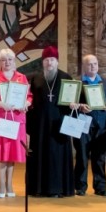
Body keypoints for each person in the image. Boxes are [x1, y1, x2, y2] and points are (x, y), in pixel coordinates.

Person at [26, 45, 74, 197]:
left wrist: (74, 104)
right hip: (39, 126)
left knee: (57, 156)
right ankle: (38, 189)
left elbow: (73, 99)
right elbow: (29, 99)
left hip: (59, 124)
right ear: (43, 62)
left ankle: (57, 189)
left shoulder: (66, 78)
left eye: (52, 60)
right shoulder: (34, 79)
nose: (49, 63)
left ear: (57, 61)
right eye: (46, 60)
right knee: (39, 155)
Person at [0, 49, 31, 198]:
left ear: (14, 61)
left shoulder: (21, 77)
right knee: (0, 154)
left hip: (16, 120)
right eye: (4, 60)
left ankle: (10, 184)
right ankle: (1, 184)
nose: (7, 62)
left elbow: (29, 97)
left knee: (12, 153)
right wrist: (1, 104)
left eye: (9, 59)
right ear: (0, 62)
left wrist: (26, 104)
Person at [74, 54, 106, 197]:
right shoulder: (78, 82)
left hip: (102, 125)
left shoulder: (105, 81)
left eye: (95, 64)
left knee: (100, 158)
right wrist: (80, 106)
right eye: (89, 64)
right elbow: (71, 103)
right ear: (84, 66)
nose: (93, 66)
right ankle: (80, 186)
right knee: (82, 156)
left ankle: (100, 187)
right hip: (83, 125)